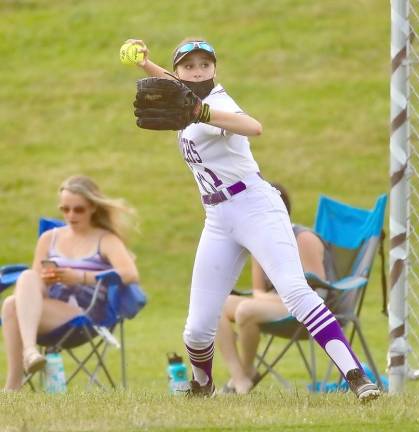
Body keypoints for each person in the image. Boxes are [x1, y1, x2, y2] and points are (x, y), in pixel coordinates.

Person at [129, 37, 380, 401]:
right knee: (197, 328)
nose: (197, 70)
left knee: (294, 291)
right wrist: (146, 65)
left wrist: (202, 113)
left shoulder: (217, 102)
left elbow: (253, 126)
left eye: (205, 64)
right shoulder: (185, 97)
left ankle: (357, 377)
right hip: (217, 216)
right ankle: (202, 387)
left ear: (215, 68)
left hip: (255, 206)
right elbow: (176, 85)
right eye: (189, 65)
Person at [1, 175, 139, 391]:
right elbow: (37, 284)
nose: (70, 215)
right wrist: (48, 278)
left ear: (93, 207)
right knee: (25, 281)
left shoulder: (106, 239)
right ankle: (27, 357)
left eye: (78, 209)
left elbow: (130, 274)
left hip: (86, 314)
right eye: (65, 209)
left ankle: (16, 380)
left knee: (12, 305)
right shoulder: (49, 238)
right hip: (48, 310)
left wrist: (80, 277)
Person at [217, 183, 327, 394]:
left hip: (307, 308)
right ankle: (239, 378)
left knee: (245, 310)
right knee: (214, 307)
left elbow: (317, 288)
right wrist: (263, 299)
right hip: (274, 304)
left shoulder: (303, 238)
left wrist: (265, 300)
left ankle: (248, 372)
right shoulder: (259, 240)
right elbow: (258, 290)